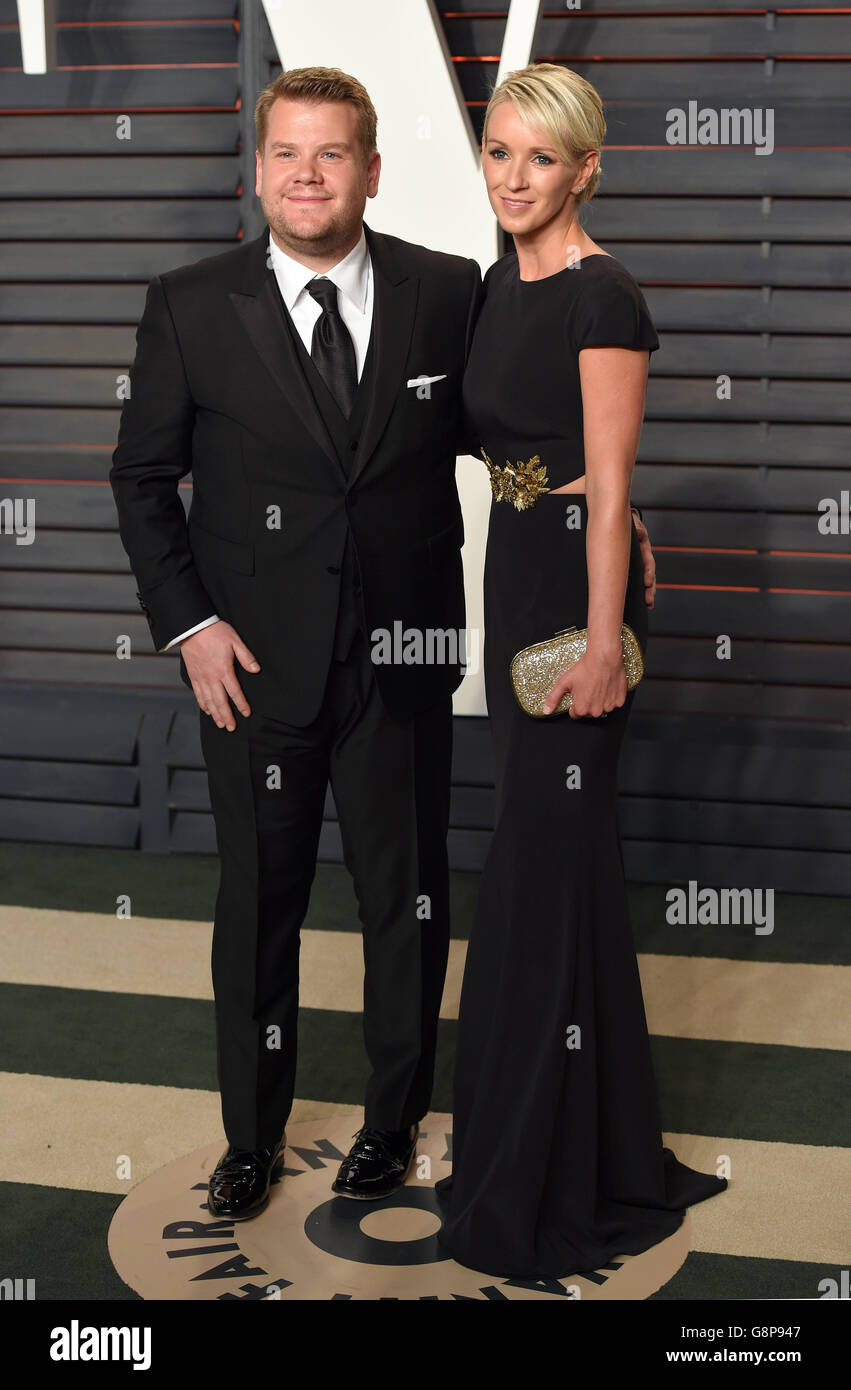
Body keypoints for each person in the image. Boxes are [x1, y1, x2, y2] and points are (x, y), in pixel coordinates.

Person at [110, 65, 655, 1224]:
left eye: (330, 154)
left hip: (404, 659)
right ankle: (250, 1137)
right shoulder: (189, 304)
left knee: (404, 902)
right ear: (259, 168)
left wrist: (592, 507)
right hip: (251, 668)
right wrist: (190, 625)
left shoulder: (447, 289)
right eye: (285, 153)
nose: (306, 176)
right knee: (257, 905)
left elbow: (501, 426)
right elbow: (141, 476)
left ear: (369, 169)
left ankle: (391, 1123)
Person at [435, 64, 726, 1279]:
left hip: (571, 600)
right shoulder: (499, 281)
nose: (512, 177)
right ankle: (597, 1151)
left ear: (585, 169)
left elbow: (606, 487)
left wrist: (605, 638)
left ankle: (535, 1181)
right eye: (498, 152)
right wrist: (547, 498)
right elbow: (500, 445)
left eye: (539, 158)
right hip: (515, 572)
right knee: (565, 870)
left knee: (536, 876)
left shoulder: (603, 295)